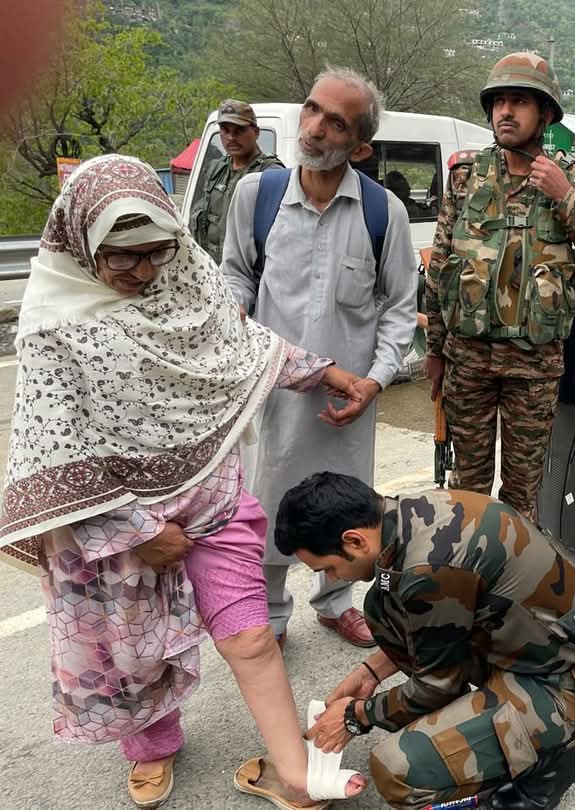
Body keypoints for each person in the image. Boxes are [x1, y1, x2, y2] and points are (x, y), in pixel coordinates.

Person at [0, 154, 368, 809]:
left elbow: (238, 344)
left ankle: (292, 772)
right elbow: (51, 455)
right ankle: (151, 745)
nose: (143, 273)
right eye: (122, 257)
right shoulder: (51, 324)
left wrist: (322, 372)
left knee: (251, 638)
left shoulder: (184, 278)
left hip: (209, 499)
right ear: (84, 243)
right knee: (133, 658)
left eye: (155, 252)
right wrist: (138, 532)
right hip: (116, 523)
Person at [223, 67, 416, 649]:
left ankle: (335, 602)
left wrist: (376, 383)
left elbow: (401, 310)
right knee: (267, 500)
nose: (315, 128)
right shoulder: (256, 197)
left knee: (346, 504)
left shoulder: (385, 214)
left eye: (336, 122)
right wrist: (231, 314)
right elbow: (235, 275)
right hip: (271, 396)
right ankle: (272, 611)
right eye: (312, 110)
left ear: (360, 145)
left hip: (345, 403)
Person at [276, 474, 575, 810]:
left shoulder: (429, 568)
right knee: (381, 606)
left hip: (562, 685)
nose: (332, 578)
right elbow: (432, 625)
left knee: (396, 769)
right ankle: (479, 735)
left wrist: (355, 716)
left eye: (328, 568)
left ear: (355, 541)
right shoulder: (409, 515)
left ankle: (554, 759)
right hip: (530, 647)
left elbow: (436, 686)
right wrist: (369, 673)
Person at [423, 52, 575, 520]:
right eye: (498, 102)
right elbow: (439, 271)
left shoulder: (573, 182)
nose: (505, 112)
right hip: (468, 363)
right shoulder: (466, 177)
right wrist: (434, 351)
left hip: (533, 371)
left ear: (546, 114)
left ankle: (512, 581)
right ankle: (468, 577)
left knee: (521, 494)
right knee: (467, 491)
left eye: (518, 101)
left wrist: (564, 198)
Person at [189, 99, 283, 264]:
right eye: (225, 130)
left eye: (239, 130)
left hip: (248, 276)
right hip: (212, 269)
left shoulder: (271, 174)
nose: (231, 137)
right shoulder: (216, 169)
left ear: (256, 132)